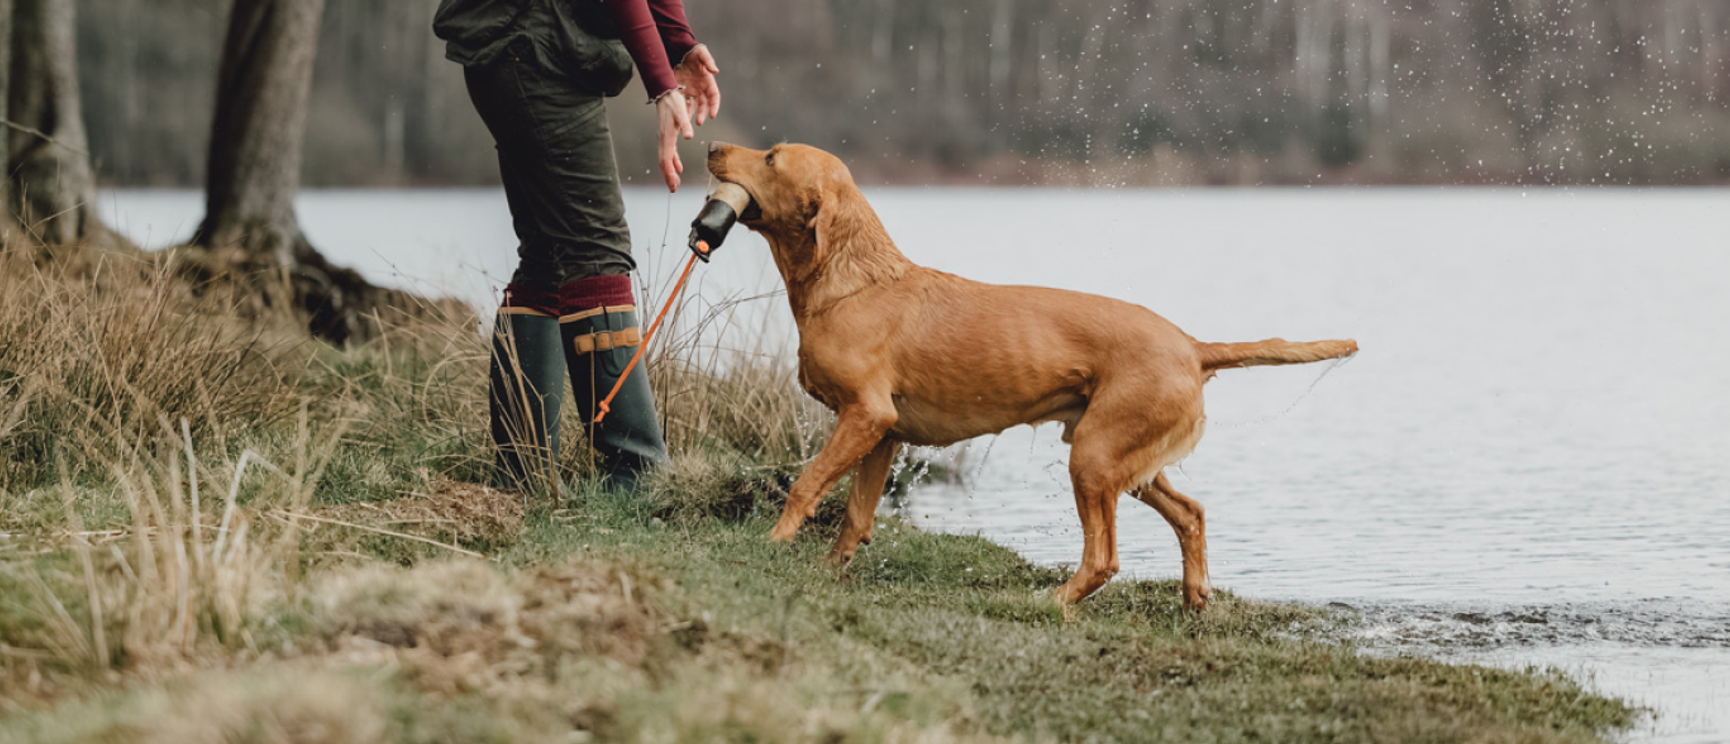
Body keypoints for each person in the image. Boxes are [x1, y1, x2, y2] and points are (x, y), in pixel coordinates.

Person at [433, 0, 721, 496]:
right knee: (596, 249)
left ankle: (524, 474)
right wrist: (661, 83)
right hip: (531, 45)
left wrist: (679, 44)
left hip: (517, 46)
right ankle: (635, 477)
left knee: (548, 254)